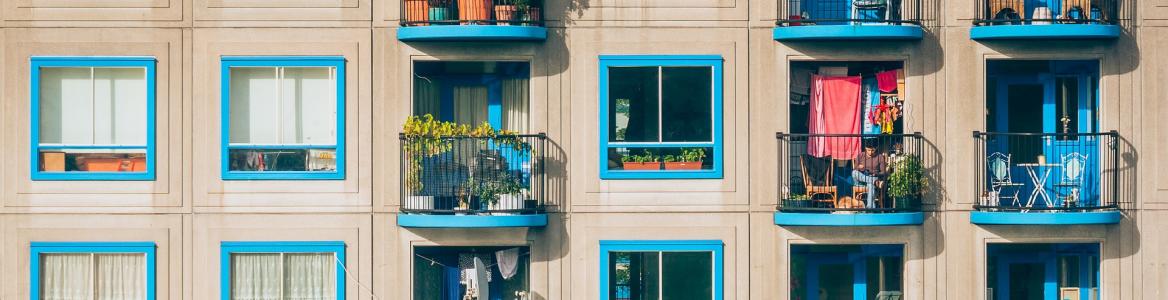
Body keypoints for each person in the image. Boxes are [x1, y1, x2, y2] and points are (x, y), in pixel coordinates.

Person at [852, 144, 888, 208]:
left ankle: (870, 208)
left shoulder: (880, 157)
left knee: (871, 184)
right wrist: (859, 167)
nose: (870, 152)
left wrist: (876, 174)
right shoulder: (861, 155)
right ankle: (873, 181)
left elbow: (883, 172)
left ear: (876, 148)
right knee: (854, 173)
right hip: (861, 181)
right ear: (865, 148)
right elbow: (855, 169)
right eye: (868, 150)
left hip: (873, 177)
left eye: (872, 150)